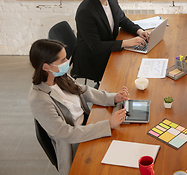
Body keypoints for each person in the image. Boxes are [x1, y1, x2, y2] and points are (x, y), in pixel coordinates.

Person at [29, 39, 130, 175]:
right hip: (75, 143)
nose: (67, 62)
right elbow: (66, 133)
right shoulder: (39, 100)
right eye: (62, 60)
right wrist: (108, 124)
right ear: (46, 67)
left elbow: (83, 90)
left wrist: (113, 98)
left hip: (87, 124)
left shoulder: (59, 76)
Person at [71, 0, 151, 82]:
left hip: (109, 48)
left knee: (137, 62)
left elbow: (122, 19)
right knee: (129, 71)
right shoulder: (85, 11)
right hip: (92, 59)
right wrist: (126, 43)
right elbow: (96, 46)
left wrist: (139, 31)